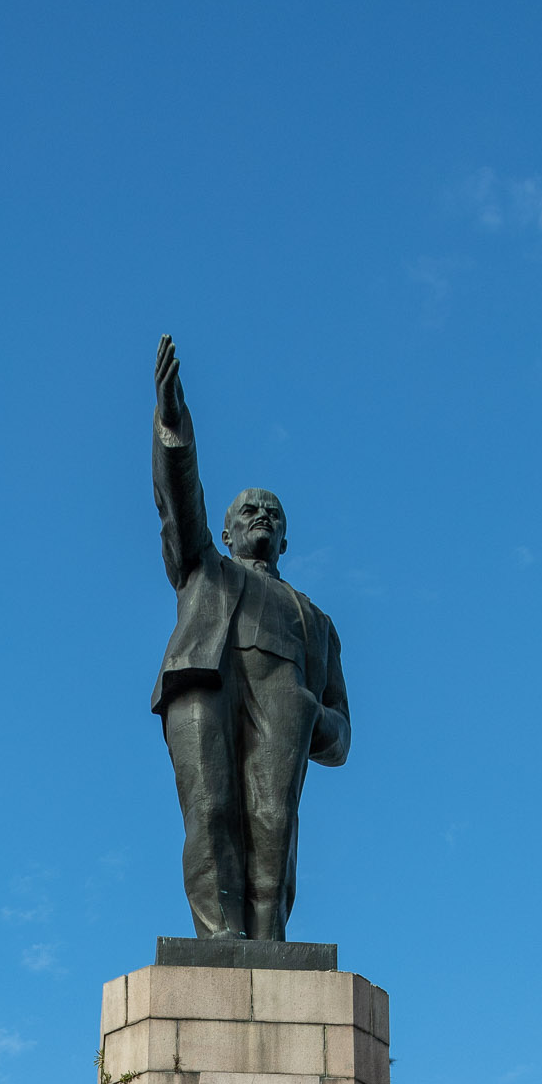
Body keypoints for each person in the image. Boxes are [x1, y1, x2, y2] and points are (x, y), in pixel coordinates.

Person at [151, 334, 350, 941]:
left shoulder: (316, 621)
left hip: (283, 702)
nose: (261, 515)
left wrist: (311, 712)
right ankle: (220, 939)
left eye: (273, 513)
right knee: (210, 811)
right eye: (249, 511)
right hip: (205, 683)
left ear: (285, 538)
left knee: (273, 826)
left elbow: (341, 734)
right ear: (227, 533)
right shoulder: (203, 567)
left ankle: (267, 942)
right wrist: (173, 428)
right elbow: (180, 504)